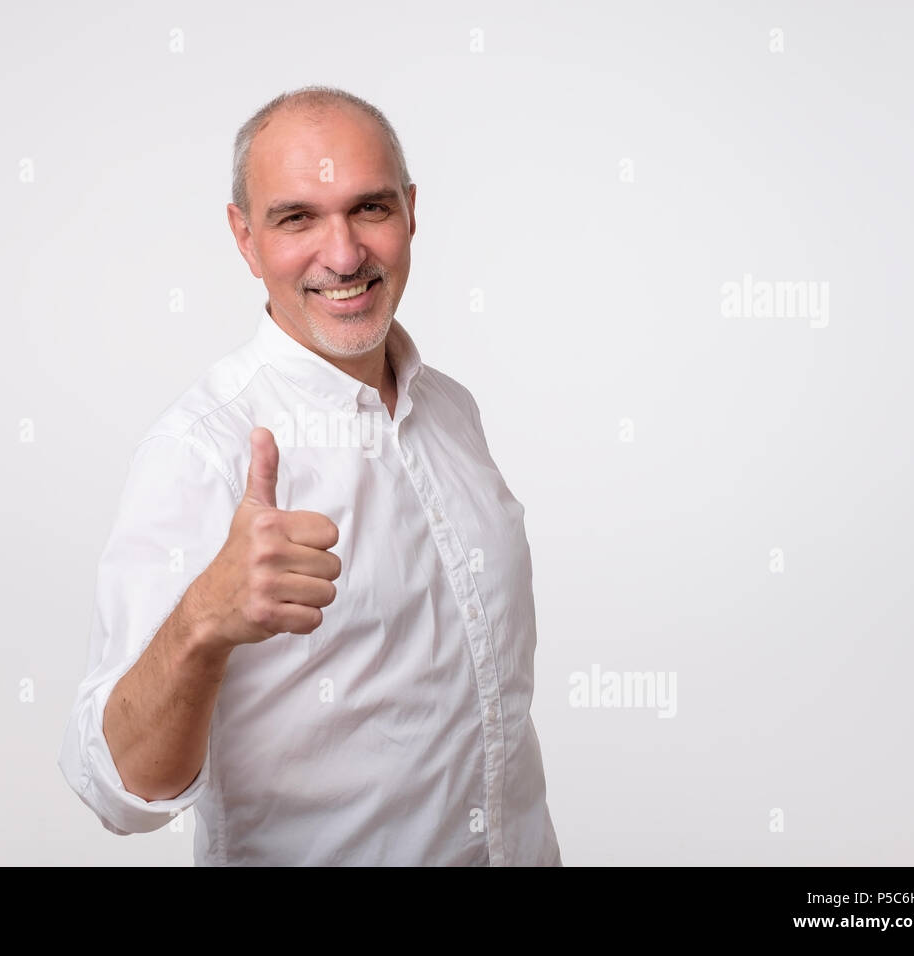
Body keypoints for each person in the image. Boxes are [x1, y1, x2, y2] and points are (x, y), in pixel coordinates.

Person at [58, 85, 562, 866]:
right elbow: (115, 791)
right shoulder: (202, 451)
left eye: (370, 208)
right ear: (245, 237)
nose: (344, 254)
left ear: (411, 211)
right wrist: (203, 620)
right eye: (298, 218)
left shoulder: (450, 408)